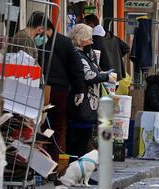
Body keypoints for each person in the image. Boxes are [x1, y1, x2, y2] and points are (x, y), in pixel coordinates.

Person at [37, 18, 86, 163]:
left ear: (46, 28)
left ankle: (52, 161)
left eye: (40, 30)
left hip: (54, 90)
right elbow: (76, 67)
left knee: (52, 126)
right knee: (51, 126)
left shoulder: (62, 42)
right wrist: (79, 89)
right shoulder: (61, 42)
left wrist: (79, 89)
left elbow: (76, 67)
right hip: (54, 89)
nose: (38, 34)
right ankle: (50, 161)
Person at [66, 24, 117, 158]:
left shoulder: (83, 55)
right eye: (89, 39)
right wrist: (106, 77)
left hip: (88, 103)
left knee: (83, 138)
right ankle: (77, 170)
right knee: (80, 139)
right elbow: (88, 75)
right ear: (81, 40)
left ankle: (81, 172)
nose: (92, 42)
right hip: (83, 103)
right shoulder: (78, 56)